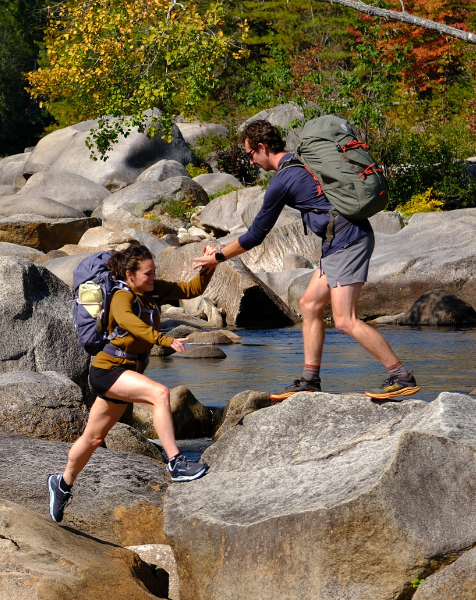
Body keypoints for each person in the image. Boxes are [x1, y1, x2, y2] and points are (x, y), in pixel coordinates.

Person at [192, 119, 419, 401]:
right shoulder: (302, 164)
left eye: (250, 154)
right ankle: (310, 380)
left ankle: (401, 376)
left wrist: (217, 257)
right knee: (309, 304)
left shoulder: (283, 180)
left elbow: (255, 235)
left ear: (262, 147)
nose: (251, 162)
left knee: (345, 320)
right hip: (341, 239)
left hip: (346, 241)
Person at [48, 244, 215, 522]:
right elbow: (128, 322)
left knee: (93, 438)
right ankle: (176, 462)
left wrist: (211, 265)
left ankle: (62, 483)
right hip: (108, 370)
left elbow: (191, 290)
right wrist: (164, 339)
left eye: (153, 273)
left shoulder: (154, 290)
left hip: (125, 372)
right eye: (148, 274)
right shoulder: (120, 297)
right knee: (160, 393)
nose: (153, 277)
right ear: (130, 274)